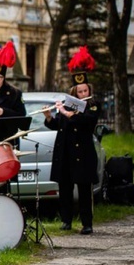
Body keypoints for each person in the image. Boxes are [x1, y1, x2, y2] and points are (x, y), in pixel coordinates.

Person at [43, 46, 100, 235]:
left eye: (85, 90)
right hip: (66, 152)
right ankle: (66, 220)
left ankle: (87, 223)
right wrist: (50, 116)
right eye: (80, 92)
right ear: (74, 92)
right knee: (65, 189)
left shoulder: (92, 106)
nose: (83, 94)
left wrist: (67, 113)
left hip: (83, 154)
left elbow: (87, 121)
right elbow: (58, 125)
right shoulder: (68, 105)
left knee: (84, 190)